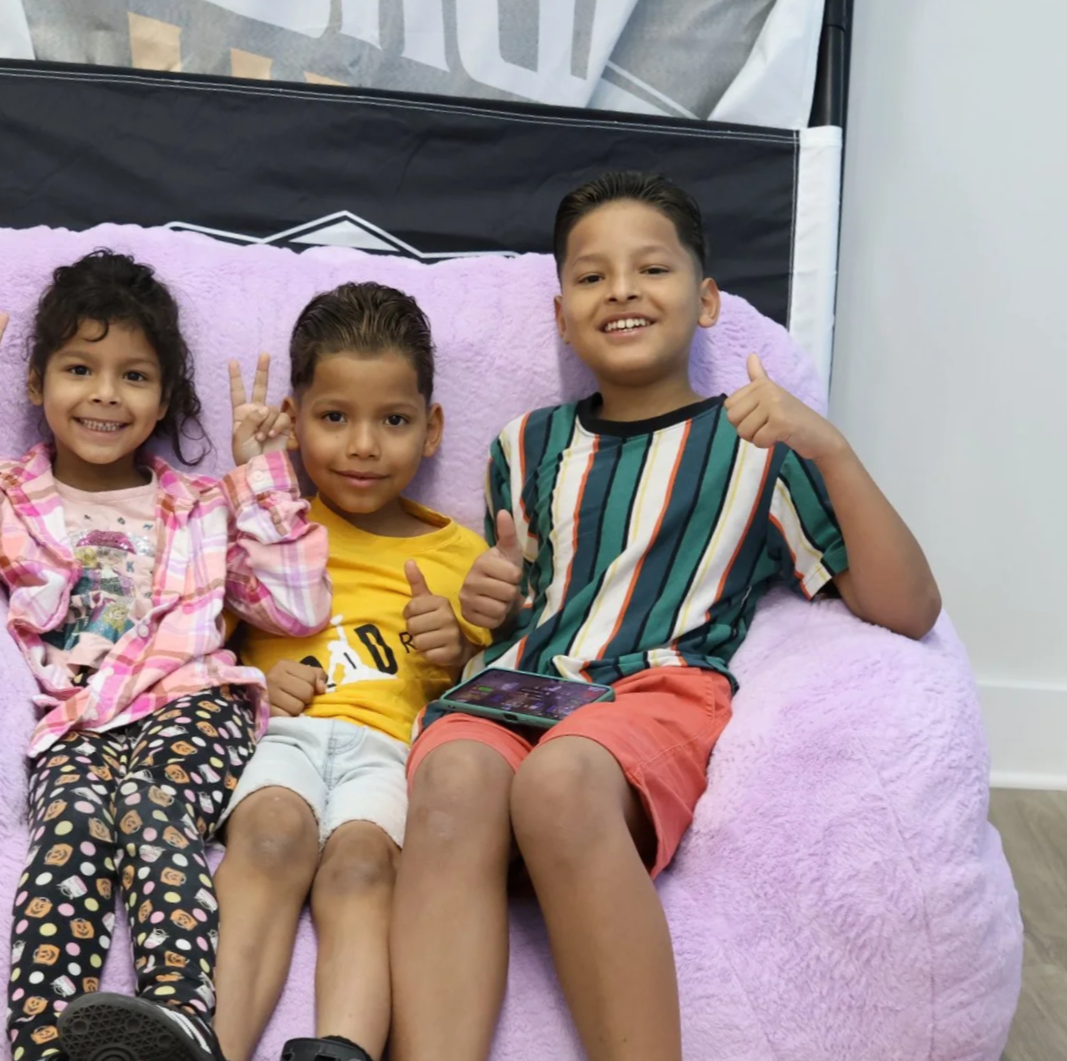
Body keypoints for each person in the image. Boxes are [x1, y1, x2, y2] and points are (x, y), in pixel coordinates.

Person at [387, 172, 943, 1061]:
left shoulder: (760, 442)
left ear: (708, 300)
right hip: (515, 687)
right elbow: (520, 599)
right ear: (564, 313)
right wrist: (485, 604)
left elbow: (908, 608)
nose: (622, 291)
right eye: (592, 276)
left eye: (652, 268)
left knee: (563, 783)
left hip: (652, 693)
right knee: (453, 781)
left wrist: (829, 445)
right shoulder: (525, 445)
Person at [0, 250, 332, 1061]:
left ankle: (177, 1022)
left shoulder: (204, 506)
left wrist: (261, 477)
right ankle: (47, 1046)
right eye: (78, 368)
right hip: (75, 724)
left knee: (151, 799)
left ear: (164, 398)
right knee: (70, 825)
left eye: (134, 375)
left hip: (191, 704)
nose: (104, 393)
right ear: (36, 384)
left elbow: (300, 604)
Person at [210, 283, 490, 1061]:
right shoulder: (267, 527)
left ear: (431, 429)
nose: (363, 445)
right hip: (284, 737)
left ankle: (343, 1049)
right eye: (335, 417)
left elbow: (494, 704)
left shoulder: (460, 557)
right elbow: (197, 651)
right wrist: (255, 686)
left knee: (364, 867)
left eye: (393, 420)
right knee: (267, 838)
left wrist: (458, 655)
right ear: (295, 422)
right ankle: (214, 1044)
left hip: (392, 756)